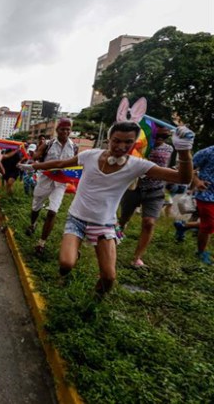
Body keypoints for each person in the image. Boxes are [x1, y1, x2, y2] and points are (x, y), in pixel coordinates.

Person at [31, 121, 194, 297]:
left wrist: (184, 150)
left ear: (134, 143)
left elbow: (183, 178)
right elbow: (62, 163)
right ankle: (70, 260)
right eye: (116, 141)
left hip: (104, 225)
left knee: (109, 277)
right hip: (76, 219)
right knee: (66, 264)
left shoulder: (137, 165)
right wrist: (34, 166)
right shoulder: (90, 156)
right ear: (109, 139)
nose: (121, 147)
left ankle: (94, 304)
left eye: (128, 142)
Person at [118, 127, 174, 267]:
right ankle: (121, 228)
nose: (160, 138)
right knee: (124, 217)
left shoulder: (169, 149)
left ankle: (137, 257)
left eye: (164, 136)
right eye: (157, 135)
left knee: (149, 223)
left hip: (155, 191)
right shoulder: (139, 145)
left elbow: (169, 166)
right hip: (134, 188)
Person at [26, 118, 77, 254]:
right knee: (36, 206)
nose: (65, 132)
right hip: (45, 180)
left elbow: (76, 164)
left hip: (60, 183)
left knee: (52, 211)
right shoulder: (48, 144)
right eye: (63, 129)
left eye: (68, 129)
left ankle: (41, 243)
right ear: (57, 130)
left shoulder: (74, 147)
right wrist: (34, 153)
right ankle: (33, 224)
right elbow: (36, 156)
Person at [189, 144, 214, 264]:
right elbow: (189, 167)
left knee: (209, 224)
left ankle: (183, 226)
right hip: (207, 194)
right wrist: (197, 181)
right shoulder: (208, 152)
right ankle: (201, 252)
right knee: (209, 224)